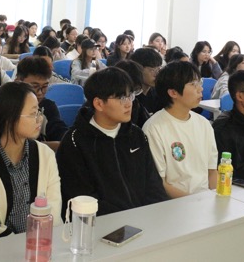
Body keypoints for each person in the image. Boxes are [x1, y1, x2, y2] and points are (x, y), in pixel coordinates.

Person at [56, 68, 168, 216]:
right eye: (121, 98)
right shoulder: (75, 142)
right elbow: (81, 197)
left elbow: (153, 185)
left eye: (130, 96)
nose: (129, 104)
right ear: (99, 104)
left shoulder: (136, 135)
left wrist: (153, 214)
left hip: (144, 218)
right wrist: (126, 218)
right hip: (102, 223)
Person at [0, 82, 62, 240]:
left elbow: (54, 214)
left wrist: (37, 246)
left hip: (42, 245)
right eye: (33, 113)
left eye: (39, 111)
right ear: (9, 118)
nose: (40, 118)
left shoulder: (46, 155)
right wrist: (25, 247)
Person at [142, 61, 218, 198]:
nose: (200, 89)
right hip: (175, 203)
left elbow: (212, 171)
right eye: (193, 84)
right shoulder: (154, 128)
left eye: (200, 82)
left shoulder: (204, 124)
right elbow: (160, 183)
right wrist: (194, 202)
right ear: (173, 92)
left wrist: (216, 199)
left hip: (205, 200)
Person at [16, 56, 69, 143]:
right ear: (19, 81)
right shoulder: (7, 105)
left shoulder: (47, 106)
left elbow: (58, 130)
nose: (40, 92)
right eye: (34, 86)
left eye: (45, 86)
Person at [129, 47, 163, 117]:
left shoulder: (158, 92)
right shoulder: (131, 97)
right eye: (153, 70)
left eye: (159, 69)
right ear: (138, 69)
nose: (157, 74)